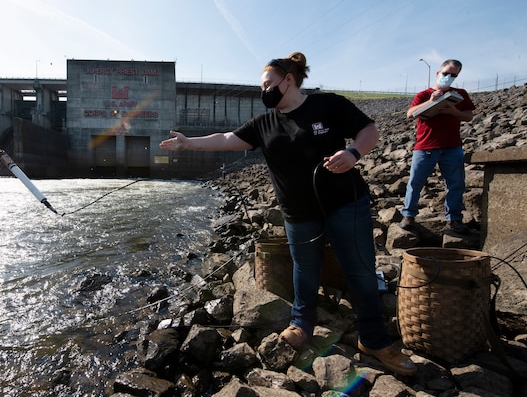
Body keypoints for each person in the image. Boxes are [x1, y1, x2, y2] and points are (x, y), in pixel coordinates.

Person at [160, 52, 417, 376]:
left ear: (289, 80)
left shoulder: (328, 105)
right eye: (262, 87)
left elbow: (369, 130)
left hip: (345, 204)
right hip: (298, 214)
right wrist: (189, 144)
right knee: (304, 270)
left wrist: (353, 153)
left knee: (361, 271)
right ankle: (301, 325)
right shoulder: (264, 124)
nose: (264, 91)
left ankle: (374, 340)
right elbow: (226, 138)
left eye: (268, 84)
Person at [400, 59, 476, 233]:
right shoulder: (423, 94)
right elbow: (410, 114)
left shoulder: (461, 94)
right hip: (425, 146)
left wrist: (454, 112)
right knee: (415, 182)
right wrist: (432, 102)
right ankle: (408, 216)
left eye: (453, 75)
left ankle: (454, 219)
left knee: (455, 184)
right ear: (438, 73)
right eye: (446, 73)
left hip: (452, 147)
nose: (449, 77)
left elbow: (468, 116)